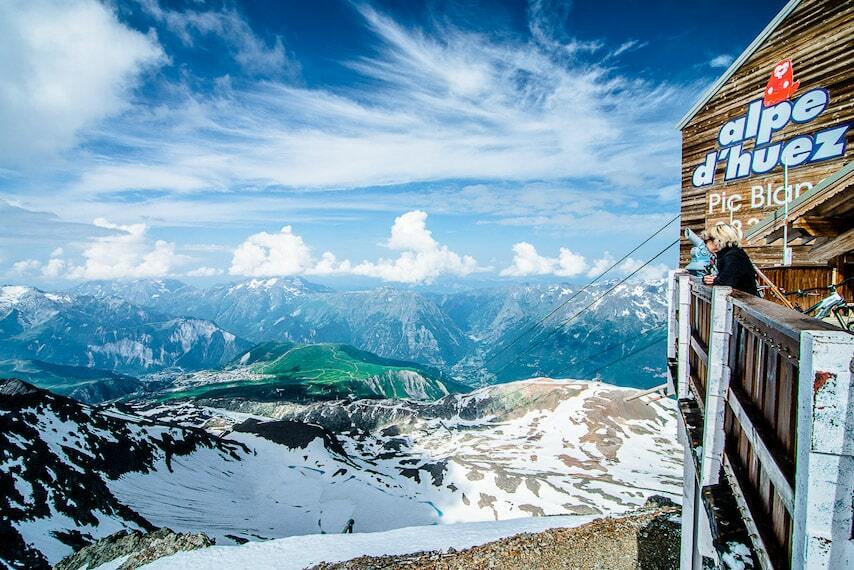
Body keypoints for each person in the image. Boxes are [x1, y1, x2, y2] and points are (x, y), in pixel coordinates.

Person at [701, 222, 759, 296]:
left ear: (716, 241)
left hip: (744, 301)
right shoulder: (730, 253)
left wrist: (714, 280)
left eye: (707, 241)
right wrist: (708, 279)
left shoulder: (733, 256)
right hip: (741, 300)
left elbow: (726, 281)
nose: (706, 245)